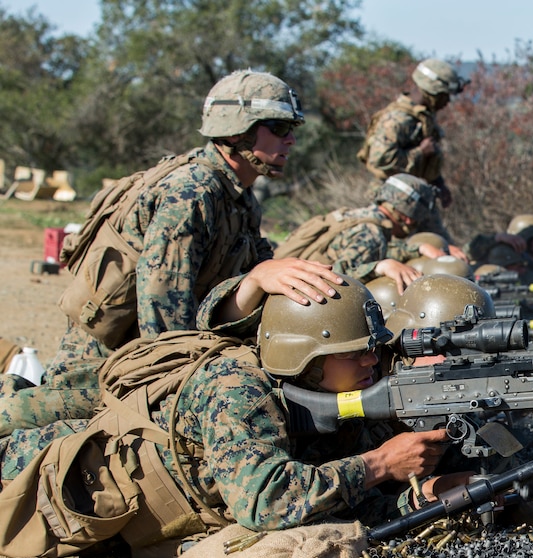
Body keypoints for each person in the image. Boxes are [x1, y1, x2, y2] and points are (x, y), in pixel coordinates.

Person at [0, 69, 342, 436]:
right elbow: (162, 321)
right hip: (104, 369)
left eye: (292, 129)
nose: (290, 140)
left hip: (145, 357)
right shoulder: (192, 193)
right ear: (235, 131)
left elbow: (254, 283)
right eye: (278, 128)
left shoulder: (239, 198)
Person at [0, 278, 465, 538]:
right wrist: (382, 463)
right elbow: (265, 501)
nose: (372, 361)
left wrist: (425, 493)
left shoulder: (334, 389)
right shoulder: (239, 389)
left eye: (373, 349)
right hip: (70, 479)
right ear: (304, 356)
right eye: (354, 352)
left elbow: (343, 499)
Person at [281, 174, 452, 294]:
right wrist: (380, 267)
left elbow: (361, 251)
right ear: (408, 218)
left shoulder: (355, 215)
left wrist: (417, 248)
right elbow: (340, 274)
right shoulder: (372, 233)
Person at [358, 58, 469, 211]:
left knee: (434, 236)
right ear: (432, 93)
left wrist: (439, 183)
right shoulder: (397, 119)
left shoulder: (423, 117)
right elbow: (380, 159)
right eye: (445, 95)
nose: (448, 100)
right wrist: (420, 152)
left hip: (415, 194)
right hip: (390, 198)